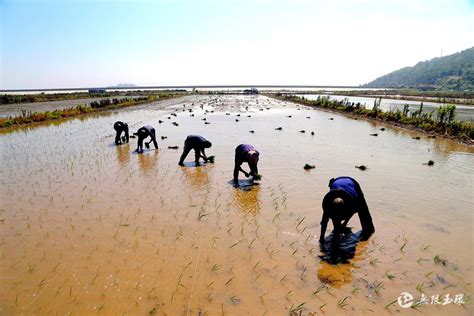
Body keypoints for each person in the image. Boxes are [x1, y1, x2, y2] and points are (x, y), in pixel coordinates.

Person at [319, 176, 375, 243]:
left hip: (352, 183)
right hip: (336, 182)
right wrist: (321, 237)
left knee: (363, 210)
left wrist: (344, 223)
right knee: (336, 228)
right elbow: (324, 222)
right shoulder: (328, 205)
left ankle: (368, 230)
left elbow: (351, 212)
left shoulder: (354, 201)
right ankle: (337, 236)